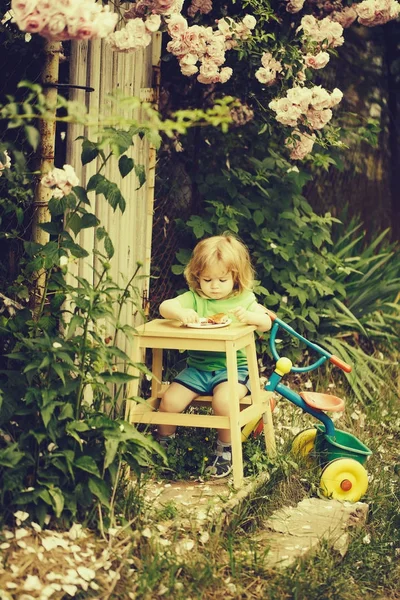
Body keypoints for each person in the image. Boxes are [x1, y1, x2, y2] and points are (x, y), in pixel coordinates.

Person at [158, 234, 271, 478]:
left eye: (222, 279)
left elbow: (266, 323)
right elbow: (164, 307)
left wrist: (250, 317)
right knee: (169, 402)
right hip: (197, 369)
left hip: (234, 370)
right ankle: (166, 446)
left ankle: (225, 451)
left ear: (236, 277)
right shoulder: (196, 299)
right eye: (207, 279)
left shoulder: (244, 300)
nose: (214, 286)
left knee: (224, 402)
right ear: (197, 276)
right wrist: (180, 313)